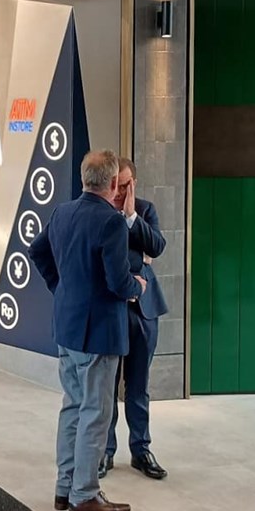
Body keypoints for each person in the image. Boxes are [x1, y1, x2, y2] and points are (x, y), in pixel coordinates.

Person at [28, 149, 146, 511]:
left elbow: (37, 251)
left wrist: (61, 289)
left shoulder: (62, 212)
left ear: (84, 179)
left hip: (67, 327)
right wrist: (139, 286)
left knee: (73, 407)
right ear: (112, 182)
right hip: (99, 334)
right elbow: (119, 282)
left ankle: (64, 488)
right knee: (96, 413)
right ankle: (85, 494)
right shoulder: (111, 222)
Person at [100, 157, 169, 481]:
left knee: (138, 386)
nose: (118, 191)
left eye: (125, 185)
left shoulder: (144, 210)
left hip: (144, 311)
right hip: (110, 310)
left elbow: (157, 246)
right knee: (107, 386)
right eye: (115, 184)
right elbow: (122, 258)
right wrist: (138, 259)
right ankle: (105, 451)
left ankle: (141, 450)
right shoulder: (99, 210)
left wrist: (130, 217)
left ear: (133, 185)